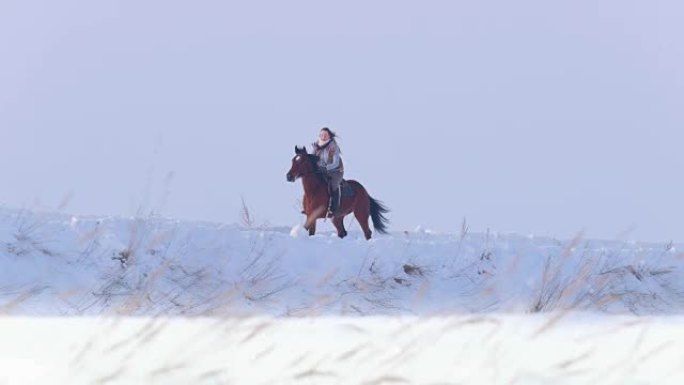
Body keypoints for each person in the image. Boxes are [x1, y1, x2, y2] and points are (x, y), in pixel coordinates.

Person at [312, 127, 344, 217]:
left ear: (329, 136)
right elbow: (312, 159)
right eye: (321, 135)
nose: (323, 137)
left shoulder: (333, 147)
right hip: (320, 170)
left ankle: (335, 208)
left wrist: (326, 168)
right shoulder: (316, 146)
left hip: (335, 170)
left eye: (325, 135)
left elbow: (336, 162)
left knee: (333, 185)